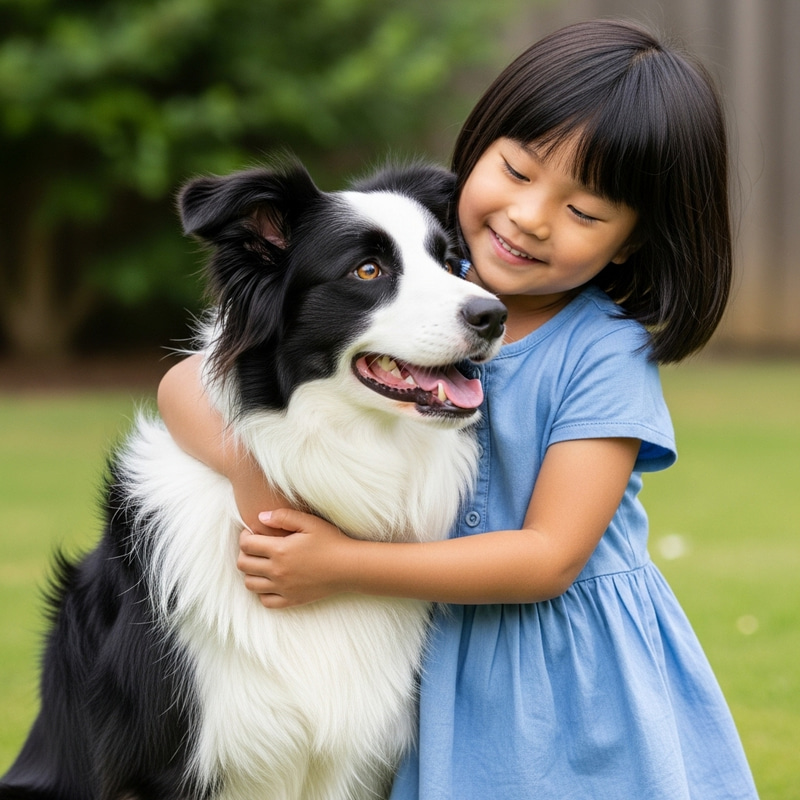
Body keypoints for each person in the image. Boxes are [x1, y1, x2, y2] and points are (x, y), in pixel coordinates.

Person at [158, 19, 758, 799]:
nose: (532, 217)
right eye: (516, 170)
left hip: (566, 678)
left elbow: (550, 557)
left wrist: (342, 565)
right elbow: (180, 385)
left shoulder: (602, 353)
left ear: (633, 243)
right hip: (436, 652)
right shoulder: (427, 277)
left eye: (584, 212)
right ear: (477, 148)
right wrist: (252, 480)